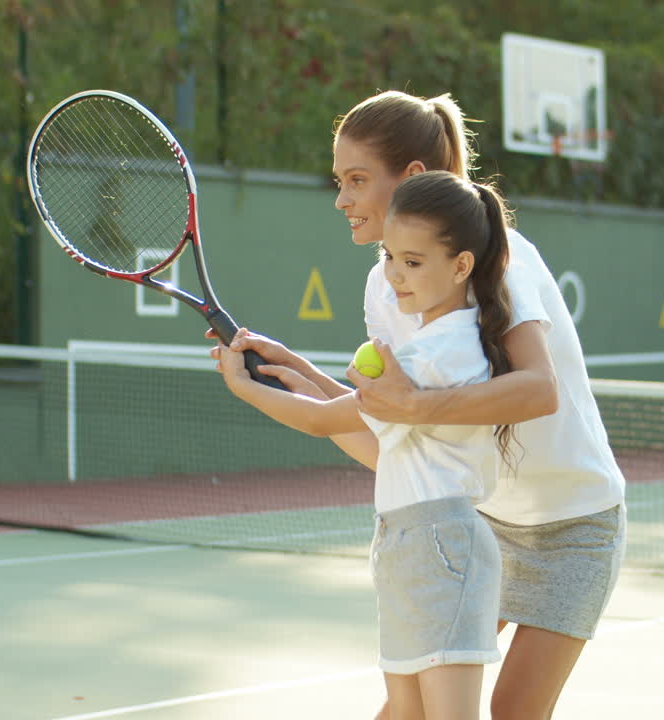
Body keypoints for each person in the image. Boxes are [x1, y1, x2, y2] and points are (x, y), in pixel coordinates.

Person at [213, 90, 627, 720]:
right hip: (474, 524)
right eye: (338, 181)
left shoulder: (501, 261)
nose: (341, 199)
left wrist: (399, 406)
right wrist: (296, 374)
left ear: (413, 178)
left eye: (356, 180)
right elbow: (390, 436)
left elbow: (537, 390)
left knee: (515, 711)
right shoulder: (386, 286)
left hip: (575, 523)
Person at [216, 171, 518, 720]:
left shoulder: (437, 355)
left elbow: (322, 421)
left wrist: (244, 387)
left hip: (443, 548)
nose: (396, 276)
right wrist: (292, 366)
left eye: (414, 262)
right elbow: (359, 422)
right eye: (390, 257)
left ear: (461, 266)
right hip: (406, 545)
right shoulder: (424, 346)